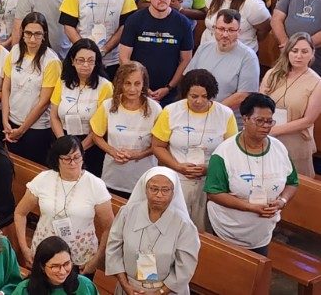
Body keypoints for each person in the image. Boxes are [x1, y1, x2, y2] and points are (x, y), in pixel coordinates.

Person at [205, 93, 299, 255]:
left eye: (269, 121)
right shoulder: (224, 152)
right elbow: (214, 193)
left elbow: (292, 182)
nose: (265, 126)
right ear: (245, 119)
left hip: (262, 232)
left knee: (257, 274)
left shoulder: (279, 148)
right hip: (229, 231)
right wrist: (250, 207)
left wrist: (282, 201)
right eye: (259, 121)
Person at [14, 135, 114, 276]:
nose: (73, 163)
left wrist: (96, 260)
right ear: (57, 159)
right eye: (67, 159)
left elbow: (109, 227)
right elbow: (20, 213)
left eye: (77, 157)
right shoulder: (43, 179)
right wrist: (24, 248)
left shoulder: (95, 185)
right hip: (45, 254)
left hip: (80, 258)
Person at [151, 69, 238, 230]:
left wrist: (209, 168)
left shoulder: (225, 114)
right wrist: (178, 166)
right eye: (194, 96)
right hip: (177, 177)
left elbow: (232, 153)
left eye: (204, 96)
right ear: (185, 94)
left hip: (209, 179)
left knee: (202, 227)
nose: (199, 101)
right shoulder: (171, 111)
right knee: (172, 225)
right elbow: (157, 146)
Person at [106, 166, 200, 294]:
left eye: (165, 190)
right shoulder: (127, 213)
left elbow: (185, 267)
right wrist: (125, 285)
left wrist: (160, 292)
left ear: (174, 192)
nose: (159, 195)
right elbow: (113, 249)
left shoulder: (184, 225)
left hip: (168, 291)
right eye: (154, 189)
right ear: (145, 189)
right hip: (129, 288)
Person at [90, 62, 162, 198]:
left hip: (142, 177)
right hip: (112, 176)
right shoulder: (108, 105)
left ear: (144, 84)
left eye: (137, 84)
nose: (132, 89)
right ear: (120, 83)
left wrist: (138, 154)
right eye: (127, 83)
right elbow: (96, 135)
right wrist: (112, 151)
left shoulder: (155, 109)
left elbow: (159, 145)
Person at [119, 0, 193, 106]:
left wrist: (169, 88)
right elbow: (124, 58)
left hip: (169, 94)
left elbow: (186, 60)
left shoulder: (183, 23)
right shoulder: (134, 20)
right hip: (136, 91)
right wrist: (140, 86)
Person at [2, 13, 62, 165]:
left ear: (44, 35)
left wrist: (21, 130)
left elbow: (44, 102)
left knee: (32, 170)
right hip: (11, 122)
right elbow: (6, 88)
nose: (32, 39)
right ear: (22, 33)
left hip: (37, 129)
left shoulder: (51, 61)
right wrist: (5, 120)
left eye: (37, 34)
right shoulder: (15, 51)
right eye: (28, 33)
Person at [260, 32, 321, 176]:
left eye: (304, 51)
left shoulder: (317, 82)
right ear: (288, 52)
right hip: (266, 137)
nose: (299, 56)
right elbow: (259, 105)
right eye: (295, 51)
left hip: (295, 142)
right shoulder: (272, 73)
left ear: (312, 54)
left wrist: (273, 130)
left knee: (296, 189)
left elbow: (308, 121)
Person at [50, 39, 113, 177]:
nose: (86, 65)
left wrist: (78, 150)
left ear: (96, 62)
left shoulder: (105, 87)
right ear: (72, 61)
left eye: (91, 60)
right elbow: (54, 116)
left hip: (91, 144)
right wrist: (65, 145)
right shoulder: (62, 83)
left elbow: (102, 127)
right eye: (81, 60)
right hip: (64, 139)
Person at [187, 9, 260, 111]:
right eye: (221, 29)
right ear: (214, 29)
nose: (225, 34)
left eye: (231, 30)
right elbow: (188, 80)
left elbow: (243, 95)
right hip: (197, 111)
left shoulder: (248, 57)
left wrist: (211, 110)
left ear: (239, 32)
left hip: (227, 117)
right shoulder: (203, 48)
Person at [271, 0, 321, 76]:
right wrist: (286, 44)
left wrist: (301, 47)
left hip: (316, 53)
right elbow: (276, 18)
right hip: (288, 50)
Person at [202, 0, 270, 53]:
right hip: (209, 49)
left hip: (239, 53)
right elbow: (206, 13)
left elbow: (265, 27)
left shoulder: (252, 2)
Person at [12, 236, 99, 295]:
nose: (63, 271)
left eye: (67, 263)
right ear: (42, 266)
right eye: (55, 266)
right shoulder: (24, 290)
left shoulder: (85, 285)